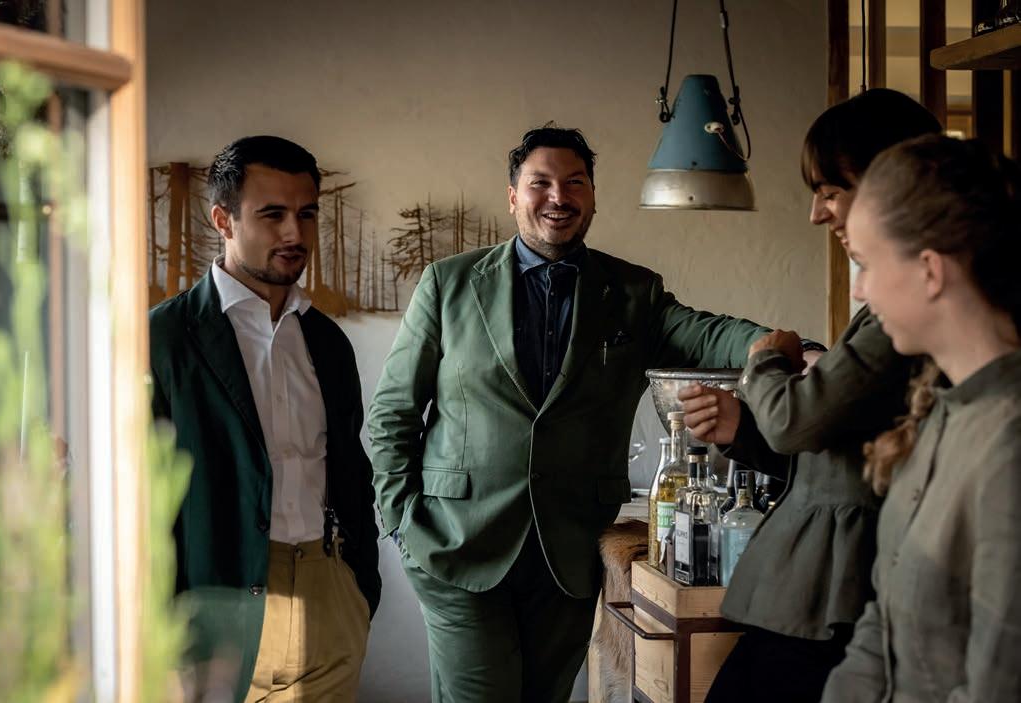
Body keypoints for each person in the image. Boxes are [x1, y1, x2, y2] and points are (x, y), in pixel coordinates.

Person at [367, 124, 771, 703]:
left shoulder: (633, 291)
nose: (559, 197)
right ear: (513, 196)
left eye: (575, 182)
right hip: (457, 544)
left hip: (569, 549)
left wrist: (779, 348)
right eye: (541, 183)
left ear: (593, 195)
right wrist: (400, 521)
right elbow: (392, 413)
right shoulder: (450, 283)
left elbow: (705, 333)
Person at [678, 89, 941, 702]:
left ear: (886, 186)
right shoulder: (887, 315)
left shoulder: (899, 321)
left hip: (836, 595)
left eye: (829, 191)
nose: (817, 214)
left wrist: (767, 358)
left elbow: (800, 424)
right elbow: (846, 452)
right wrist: (745, 429)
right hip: (829, 597)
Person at [150, 135, 380, 703]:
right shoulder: (163, 337)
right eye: (272, 215)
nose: (294, 233)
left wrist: (358, 587)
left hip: (329, 594)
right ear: (222, 220)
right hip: (215, 600)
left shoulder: (327, 341)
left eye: (307, 214)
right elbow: (133, 498)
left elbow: (350, 469)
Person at [821, 136, 1021, 702]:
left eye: (865, 264)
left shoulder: (1009, 444)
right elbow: (880, 628)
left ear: (930, 271)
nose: (858, 289)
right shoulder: (941, 412)